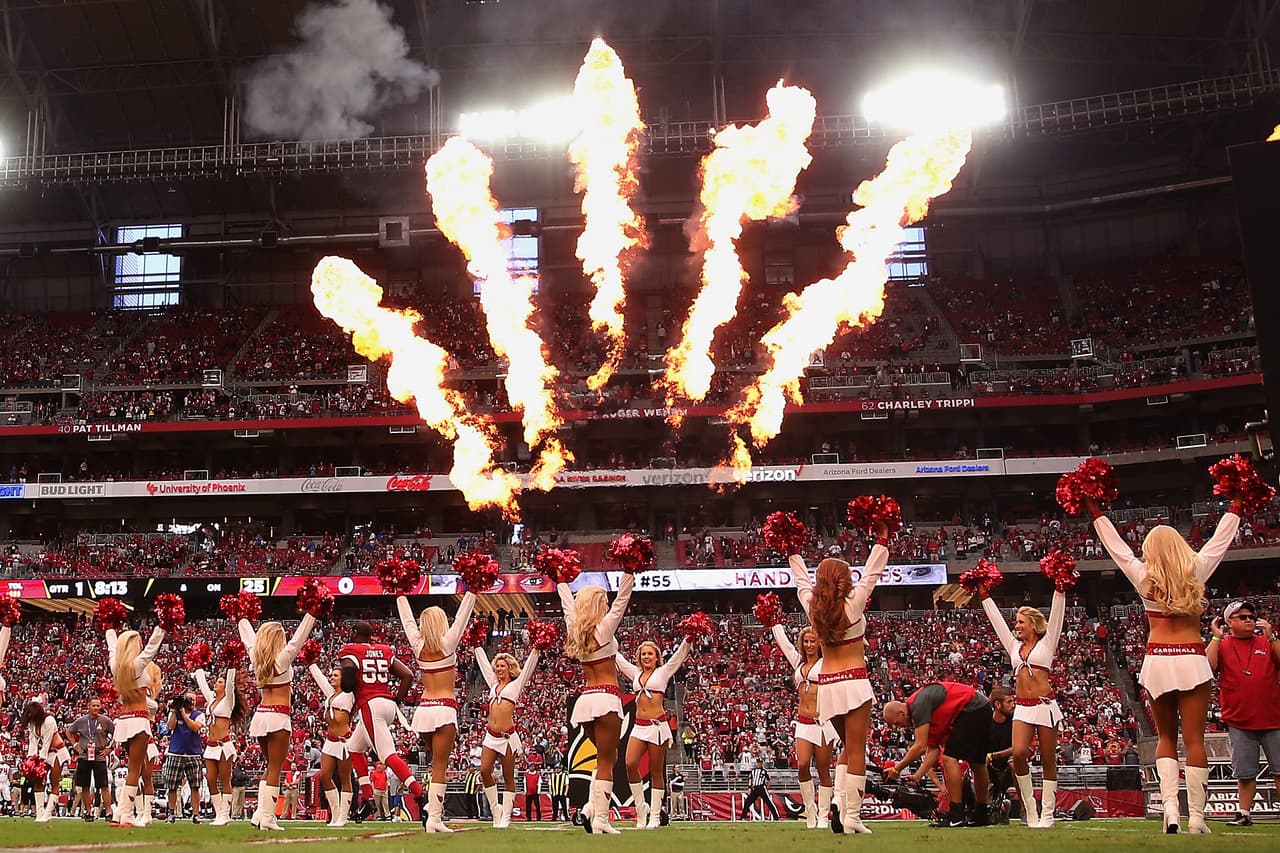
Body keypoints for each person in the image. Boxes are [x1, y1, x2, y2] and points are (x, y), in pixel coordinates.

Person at [1089, 493, 1238, 833]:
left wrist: (1094, 511)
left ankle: (1171, 810)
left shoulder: (1143, 577)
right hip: (1192, 659)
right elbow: (1220, 542)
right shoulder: (1196, 570)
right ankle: (1197, 817)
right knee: (1196, 740)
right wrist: (1238, 505)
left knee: (1166, 738)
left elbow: (1117, 549)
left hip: (1157, 660)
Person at [791, 518, 890, 833]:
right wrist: (883, 537)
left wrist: (792, 551)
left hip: (828, 688)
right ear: (844, 580)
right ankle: (852, 818)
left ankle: (837, 804)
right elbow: (873, 571)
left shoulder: (813, 609)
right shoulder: (854, 603)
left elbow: (801, 583)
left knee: (847, 748)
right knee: (857, 749)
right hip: (855, 683)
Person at [980, 586, 1067, 827]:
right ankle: (1030, 809)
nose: (1016, 626)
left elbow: (1058, 614)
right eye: (1016, 622)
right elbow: (997, 622)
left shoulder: (1047, 643)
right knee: (1018, 753)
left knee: (1049, 759)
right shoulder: (1013, 646)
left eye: (1020, 622)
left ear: (1032, 624)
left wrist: (1059, 590)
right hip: (1023, 708)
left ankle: (1048, 812)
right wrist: (984, 595)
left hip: (1045, 706)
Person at [560, 572, 635, 835]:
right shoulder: (604, 629)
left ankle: (590, 807)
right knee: (605, 760)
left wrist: (560, 580)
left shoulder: (575, 629)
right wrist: (629, 571)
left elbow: (567, 604)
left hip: (585, 701)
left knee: (609, 756)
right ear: (598, 604)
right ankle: (601, 819)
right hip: (606, 699)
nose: (607, 605)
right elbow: (622, 601)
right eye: (603, 601)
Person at [397, 588, 476, 832]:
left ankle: (432, 814)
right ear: (441, 623)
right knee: (439, 766)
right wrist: (473, 589)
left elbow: (407, 620)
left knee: (433, 763)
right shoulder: (448, 643)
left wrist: (400, 594)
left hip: (423, 710)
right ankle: (434, 818)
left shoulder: (418, 645)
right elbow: (463, 616)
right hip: (444, 708)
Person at [238, 610, 318, 831]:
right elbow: (299, 639)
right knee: (275, 768)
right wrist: (312, 613)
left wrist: (240, 617)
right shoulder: (281, 659)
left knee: (268, 767)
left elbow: (247, 636)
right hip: (278, 717)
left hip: (261, 716)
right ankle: (269, 818)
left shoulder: (256, 657)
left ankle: (258, 815)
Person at [338, 621, 424, 822]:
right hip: (387, 703)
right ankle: (368, 800)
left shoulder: (351, 650)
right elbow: (407, 675)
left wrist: (348, 680)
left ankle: (420, 794)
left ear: (354, 634)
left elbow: (349, 683)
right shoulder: (383, 650)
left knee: (387, 756)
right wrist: (398, 700)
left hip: (370, 704)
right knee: (354, 747)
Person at [1206, 600, 1280, 827]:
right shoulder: (1223, 644)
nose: (1249, 620)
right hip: (1239, 719)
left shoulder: (1266, 642)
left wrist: (1272, 637)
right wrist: (1216, 636)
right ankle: (1244, 813)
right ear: (1229, 622)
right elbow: (1208, 667)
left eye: (1251, 616)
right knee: (1245, 772)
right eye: (1243, 617)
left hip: (1273, 717)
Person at [883, 681, 994, 828]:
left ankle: (956, 816)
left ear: (902, 713)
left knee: (949, 758)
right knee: (977, 762)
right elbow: (933, 750)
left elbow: (920, 746)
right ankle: (981, 814)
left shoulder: (917, 705)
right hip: (980, 706)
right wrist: (917, 776)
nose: (899, 727)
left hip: (971, 708)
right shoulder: (926, 710)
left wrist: (897, 769)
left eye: (897, 723)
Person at [615, 635, 691, 828]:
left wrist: (689, 638)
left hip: (657, 726)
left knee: (656, 771)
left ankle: (655, 815)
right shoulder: (635, 673)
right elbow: (617, 657)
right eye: (643, 654)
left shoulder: (663, 672)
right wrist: (604, 639)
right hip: (639, 726)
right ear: (639, 657)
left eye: (650, 654)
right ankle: (641, 810)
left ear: (657, 657)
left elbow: (679, 656)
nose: (646, 657)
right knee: (630, 763)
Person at [768, 622, 836, 829]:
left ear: (820, 643)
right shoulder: (798, 662)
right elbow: (784, 644)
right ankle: (810, 811)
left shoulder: (827, 663)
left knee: (824, 770)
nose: (809, 645)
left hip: (823, 722)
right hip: (803, 723)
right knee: (803, 764)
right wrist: (774, 623)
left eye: (812, 641)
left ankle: (824, 814)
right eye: (806, 641)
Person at [475, 645, 541, 829]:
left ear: (509, 668)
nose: (498, 669)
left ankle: (506, 816)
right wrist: (476, 646)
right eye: (497, 666)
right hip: (490, 736)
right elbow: (483, 665)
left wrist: (536, 649)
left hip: (507, 738)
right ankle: (496, 810)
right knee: (484, 770)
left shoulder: (515, 685)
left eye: (502, 666)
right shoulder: (493, 684)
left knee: (508, 777)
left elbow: (528, 668)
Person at [106, 624, 165, 827]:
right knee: (134, 769)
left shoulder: (116, 666)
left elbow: (112, 647)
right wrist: (162, 627)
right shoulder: (137, 665)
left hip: (123, 721)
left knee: (133, 768)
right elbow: (152, 648)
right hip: (139, 720)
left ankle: (119, 814)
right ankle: (127, 814)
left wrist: (109, 628)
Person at [193, 664, 246, 826]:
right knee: (210, 779)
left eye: (220, 682)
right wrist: (198, 667)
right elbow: (202, 684)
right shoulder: (211, 700)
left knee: (224, 780)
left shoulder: (228, 701)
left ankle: (225, 814)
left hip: (224, 746)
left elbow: (230, 685)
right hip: (210, 745)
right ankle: (219, 813)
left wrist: (231, 665)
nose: (216, 683)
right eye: (216, 682)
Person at [307, 662, 355, 827]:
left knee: (345, 779)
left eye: (336, 675)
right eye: (332, 675)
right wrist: (311, 664)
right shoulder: (331, 695)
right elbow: (320, 680)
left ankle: (343, 816)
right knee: (325, 776)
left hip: (344, 741)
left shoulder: (350, 695)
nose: (331, 677)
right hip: (330, 740)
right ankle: (335, 814)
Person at [67, 697, 114, 822]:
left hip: (99, 756)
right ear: (88, 706)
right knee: (85, 786)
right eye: (93, 705)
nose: (96, 708)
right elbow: (69, 731)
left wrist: (110, 748)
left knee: (103, 785)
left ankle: (109, 811)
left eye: (98, 706)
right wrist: (75, 745)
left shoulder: (105, 721)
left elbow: (116, 733)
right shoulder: (81, 721)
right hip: (84, 755)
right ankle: (88, 812)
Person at [163, 691, 205, 824]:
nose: (191, 702)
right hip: (176, 752)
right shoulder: (176, 713)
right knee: (172, 785)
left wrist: (184, 715)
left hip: (193, 752)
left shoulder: (199, 715)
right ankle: (171, 813)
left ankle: (196, 814)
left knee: (195, 785)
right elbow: (170, 726)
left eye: (193, 699)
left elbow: (195, 728)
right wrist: (175, 711)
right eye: (189, 699)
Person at [984, 688, 1016, 823]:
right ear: (997, 705)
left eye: (1013, 701)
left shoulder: (1016, 722)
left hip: (1008, 766)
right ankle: (998, 806)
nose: (1013, 705)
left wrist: (993, 756)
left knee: (1015, 762)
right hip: (990, 770)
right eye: (1009, 702)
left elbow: (1019, 748)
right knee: (991, 818)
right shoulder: (985, 723)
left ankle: (1025, 809)